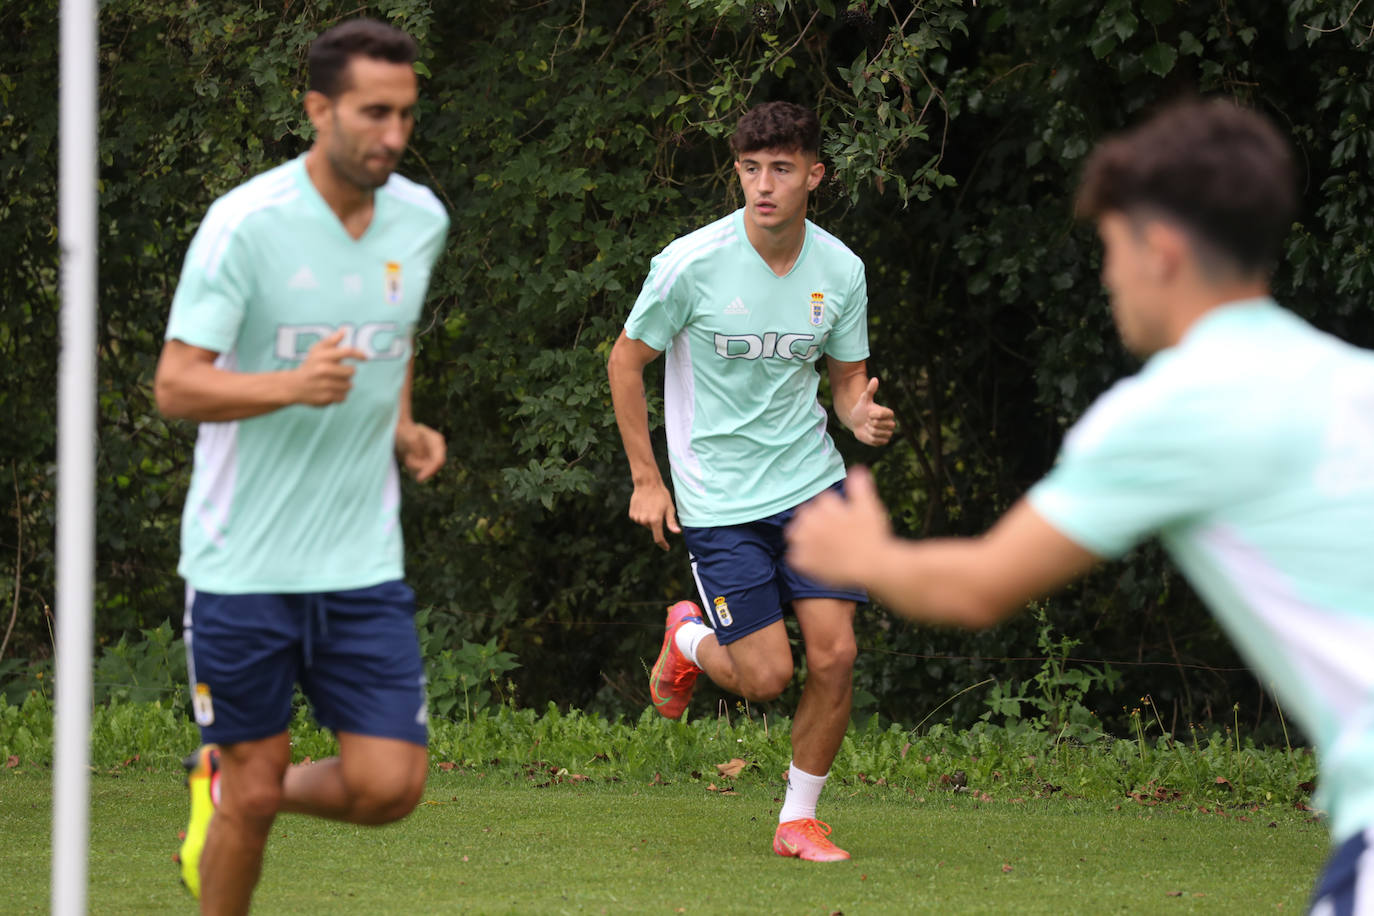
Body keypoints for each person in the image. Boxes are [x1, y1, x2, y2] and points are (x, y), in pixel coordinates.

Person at [786, 98, 1374, 910]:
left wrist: (867, 558)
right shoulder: (1353, 380)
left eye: (1111, 247)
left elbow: (978, 586)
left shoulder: (1177, 408)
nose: (1107, 275)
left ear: (1161, 250)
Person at [153, 18, 449, 914]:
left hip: (361, 561)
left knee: (389, 786)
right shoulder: (245, 224)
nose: (392, 136)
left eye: (403, 114)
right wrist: (290, 386)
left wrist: (401, 426)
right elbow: (175, 385)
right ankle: (235, 795)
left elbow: (386, 343)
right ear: (318, 108)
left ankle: (230, 786)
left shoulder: (421, 220)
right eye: (371, 114)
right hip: (243, 563)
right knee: (254, 794)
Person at [607, 101, 895, 862]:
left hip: (812, 486)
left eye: (781, 169)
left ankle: (798, 819)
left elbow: (846, 382)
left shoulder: (841, 271)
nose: (763, 185)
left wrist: (859, 418)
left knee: (835, 656)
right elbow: (625, 361)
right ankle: (689, 636)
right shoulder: (689, 264)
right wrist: (647, 478)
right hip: (718, 500)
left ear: (814, 175)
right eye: (750, 169)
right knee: (767, 677)